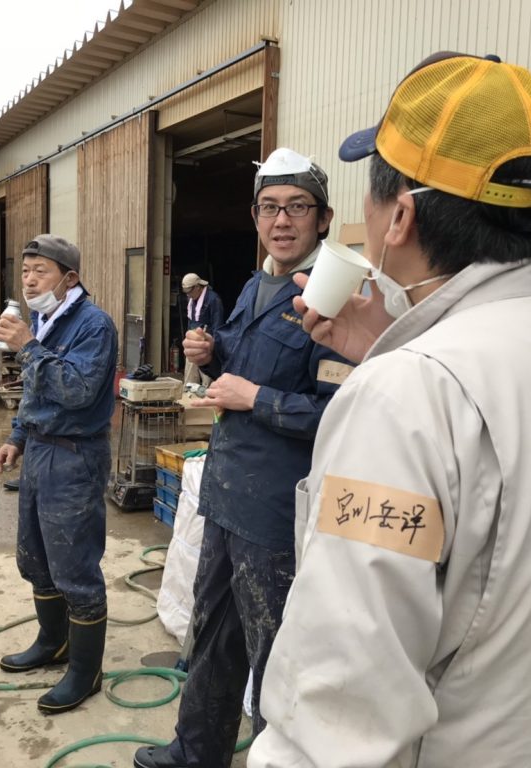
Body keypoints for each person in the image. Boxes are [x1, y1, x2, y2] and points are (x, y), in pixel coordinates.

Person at [246, 53, 531, 768]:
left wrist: (397, 371)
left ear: (400, 214)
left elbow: (341, 704)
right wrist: (393, 348)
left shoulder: (407, 395)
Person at [133, 148, 353, 768]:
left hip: (277, 511)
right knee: (212, 633)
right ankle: (196, 752)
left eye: (298, 207)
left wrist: (256, 398)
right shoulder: (259, 283)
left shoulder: (333, 298)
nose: (281, 221)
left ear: (324, 218)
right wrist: (212, 352)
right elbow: (242, 359)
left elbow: (341, 412)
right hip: (228, 492)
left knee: (276, 657)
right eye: (269, 207)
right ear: (255, 217)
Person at [0, 234, 118, 715]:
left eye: (40, 271)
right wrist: (17, 436)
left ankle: (86, 672)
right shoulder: (46, 318)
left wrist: (27, 347)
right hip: (41, 451)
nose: (28, 280)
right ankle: (53, 641)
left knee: (75, 568)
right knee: (36, 558)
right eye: (25, 271)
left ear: (70, 278)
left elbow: (77, 390)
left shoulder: (93, 325)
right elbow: (35, 392)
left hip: (74, 456)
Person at [179, 272, 224, 387]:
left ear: (198, 287)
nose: (188, 295)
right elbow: (190, 321)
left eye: (189, 291)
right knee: (189, 379)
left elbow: (218, 324)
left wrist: (214, 348)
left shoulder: (213, 299)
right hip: (193, 343)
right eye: (186, 292)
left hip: (206, 344)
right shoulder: (191, 300)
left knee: (207, 380)